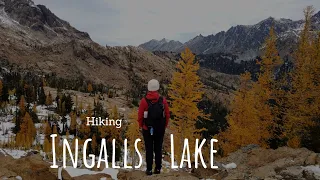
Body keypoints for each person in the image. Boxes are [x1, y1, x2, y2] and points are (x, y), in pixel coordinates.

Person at [138, 79, 170, 176]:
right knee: (158, 148)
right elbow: (167, 115)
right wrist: (164, 125)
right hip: (160, 129)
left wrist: (142, 126)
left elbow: (140, 116)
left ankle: (149, 170)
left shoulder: (144, 101)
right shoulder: (162, 100)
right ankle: (158, 168)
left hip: (147, 129)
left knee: (149, 149)